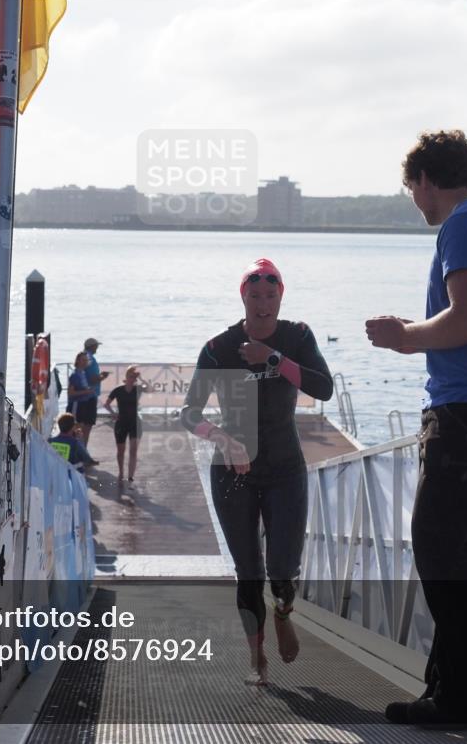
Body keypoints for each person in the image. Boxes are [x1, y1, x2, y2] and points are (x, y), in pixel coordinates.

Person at [365, 130, 467, 727]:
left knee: (437, 542)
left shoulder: (464, 225)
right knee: (457, 546)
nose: (415, 199)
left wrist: (404, 337)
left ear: (427, 180)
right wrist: (415, 334)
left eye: (412, 187)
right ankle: (455, 687)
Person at [180, 258, 333, 685]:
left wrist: (274, 359)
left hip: (284, 468)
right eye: (255, 296)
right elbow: (189, 413)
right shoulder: (219, 348)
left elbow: (323, 387)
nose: (263, 304)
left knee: (282, 569)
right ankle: (256, 658)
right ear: (243, 297)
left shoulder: (297, 336)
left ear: (280, 296)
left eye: (270, 295)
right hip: (233, 471)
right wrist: (223, 439)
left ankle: (283, 610)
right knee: (248, 570)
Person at [103, 365, 151, 484]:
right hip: (121, 422)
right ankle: (121, 472)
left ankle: (130, 477)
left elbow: (151, 389)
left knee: (133, 451)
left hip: (135, 422)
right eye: (130, 375)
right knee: (121, 451)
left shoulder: (138, 388)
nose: (132, 378)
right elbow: (106, 404)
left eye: (134, 376)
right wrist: (113, 413)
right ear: (126, 376)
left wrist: (142, 378)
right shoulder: (118, 390)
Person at [79, 337, 110, 446]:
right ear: (92, 346)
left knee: (82, 425)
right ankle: (83, 449)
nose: (97, 348)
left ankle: (81, 449)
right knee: (87, 425)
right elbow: (92, 379)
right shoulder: (90, 359)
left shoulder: (83, 357)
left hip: (83, 395)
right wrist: (103, 377)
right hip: (89, 396)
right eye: (96, 346)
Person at [67, 352, 96, 440]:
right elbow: (71, 393)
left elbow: (82, 388)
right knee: (75, 429)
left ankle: (80, 446)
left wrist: (88, 390)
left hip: (84, 404)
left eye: (86, 360)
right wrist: (86, 391)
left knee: (81, 429)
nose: (85, 362)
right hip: (76, 404)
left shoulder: (82, 373)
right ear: (78, 361)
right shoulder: (75, 375)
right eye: (83, 360)